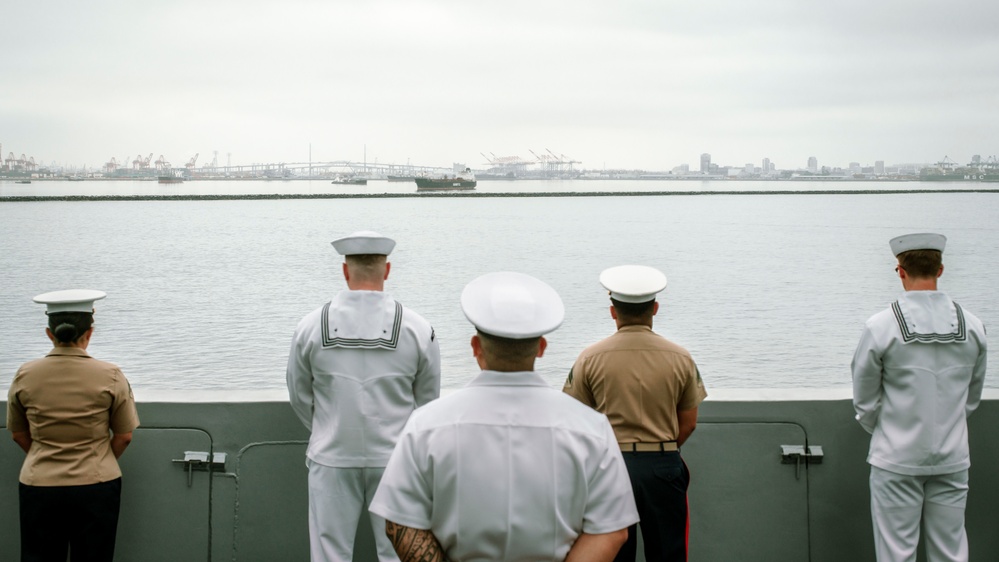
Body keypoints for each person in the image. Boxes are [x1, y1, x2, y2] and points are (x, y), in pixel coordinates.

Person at [370, 271, 639, 562]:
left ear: (475, 347)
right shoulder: (591, 428)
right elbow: (611, 530)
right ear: (542, 348)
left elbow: (400, 521)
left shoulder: (425, 426)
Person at [286, 230, 441, 562]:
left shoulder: (310, 326)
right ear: (387, 270)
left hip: (331, 456)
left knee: (330, 553)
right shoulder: (418, 328)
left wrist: (325, 428)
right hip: (396, 460)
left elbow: (299, 394)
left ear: (345, 271)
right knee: (396, 555)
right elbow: (428, 402)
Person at [852, 233, 987, 562]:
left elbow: (865, 400)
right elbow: (972, 396)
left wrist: (891, 430)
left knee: (896, 553)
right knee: (951, 551)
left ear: (900, 270)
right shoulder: (972, 326)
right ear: (940, 270)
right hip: (953, 456)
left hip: (896, 457)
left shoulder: (881, 326)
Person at [563, 265, 707, 562]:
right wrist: (661, 451)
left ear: (613, 311)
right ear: (655, 308)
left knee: (613, 554)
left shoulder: (590, 357)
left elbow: (574, 419)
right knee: (668, 553)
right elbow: (688, 423)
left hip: (610, 467)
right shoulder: (680, 357)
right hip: (663, 466)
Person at [6, 289, 140, 562]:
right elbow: (124, 436)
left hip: (39, 484)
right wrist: (98, 461)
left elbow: (19, 434)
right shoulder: (110, 374)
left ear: (49, 333)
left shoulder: (25, 374)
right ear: (89, 333)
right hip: (96, 484)